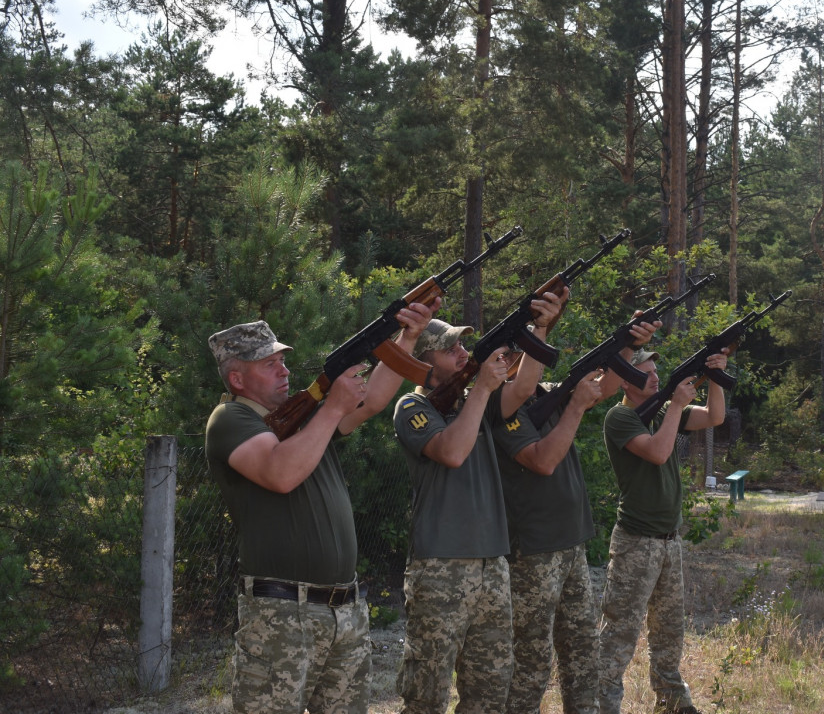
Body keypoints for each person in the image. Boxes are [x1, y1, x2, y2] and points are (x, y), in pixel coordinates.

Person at [204, 301, 436, 714]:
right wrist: (331, 408)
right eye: (268, 364)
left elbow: (373, 400)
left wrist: (409, 338)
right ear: (237, 378)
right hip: (281, 616)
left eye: (281, 360)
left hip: (344, 611)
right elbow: (280, 473)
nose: (284, 370)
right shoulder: (230, 419)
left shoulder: (302, 417)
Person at [392, 292, 565, 714]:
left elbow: (523, 387)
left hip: (492, 561)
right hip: (441, 565)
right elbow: (451, 452)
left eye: (462, 346)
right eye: (450, 348)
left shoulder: (477, 400)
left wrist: (539, 329)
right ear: (426, 361)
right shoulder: (412, 405)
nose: (461, 352)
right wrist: (482, 387)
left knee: (490, 684)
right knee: (427, 691)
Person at [493, 319, 660, 714]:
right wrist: (576, 406)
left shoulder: (550, 395)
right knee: (531, 661)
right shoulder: (504, 413)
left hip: (571, 546)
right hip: (533, 552)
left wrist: (625, 345)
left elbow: (605, 386)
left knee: (582, 651)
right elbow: (543, 461)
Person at [596, 346, 729, 714]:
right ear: (626, 379)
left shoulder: (663, 412)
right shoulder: (620, 417)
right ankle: (601, 705)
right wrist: (673, 406)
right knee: (619, 633)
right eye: (647, 372)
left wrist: (714, 376)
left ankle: (672, 702)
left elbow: (714, 416)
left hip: (669, 542)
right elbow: (656, 452)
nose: (656, 377)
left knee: (669, 633)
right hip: (636, 543)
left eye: (658, 371)